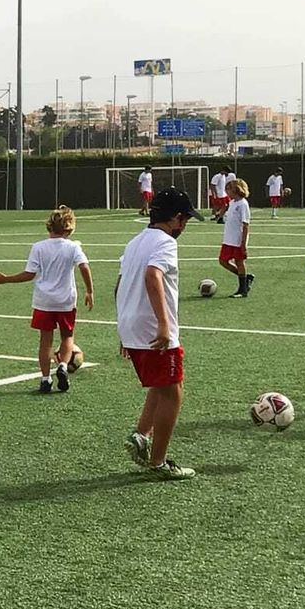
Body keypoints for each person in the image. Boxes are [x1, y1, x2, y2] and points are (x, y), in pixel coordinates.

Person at [114, 187, 203, 480]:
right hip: (152, 328)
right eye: (185, 221)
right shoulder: (166, 242)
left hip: (132, 326)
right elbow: (153, 276)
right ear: (176, 219)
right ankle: (158, 462)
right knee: (174, 391)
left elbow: (120, 284)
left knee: (162, 384)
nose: (185, 227)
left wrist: (124, 330)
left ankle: (141, 435)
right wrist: (164, 325)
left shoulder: (134, 242)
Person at [0, 205, 92, 394]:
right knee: (67, 337)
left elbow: (29, 274)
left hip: (43, 301)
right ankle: (62, 365)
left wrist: (6, 279)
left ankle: (45, 379)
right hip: (65, 301)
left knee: (45, 341)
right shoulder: (73, 247)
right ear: (69, 228)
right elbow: (84, 267)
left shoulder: (38, 247)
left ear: (49, 227)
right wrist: (89, 291)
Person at [218, 179, 254, 298]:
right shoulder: (232, 202)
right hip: (228, 239)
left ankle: (242, 289)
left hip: (238, 239)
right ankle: (245, 277)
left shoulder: (243, 204)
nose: (227, 192)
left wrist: (243, 243)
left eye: (229, 189)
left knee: (239, 262)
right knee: (223, 261)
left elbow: (245, 225)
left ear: (236, 190)